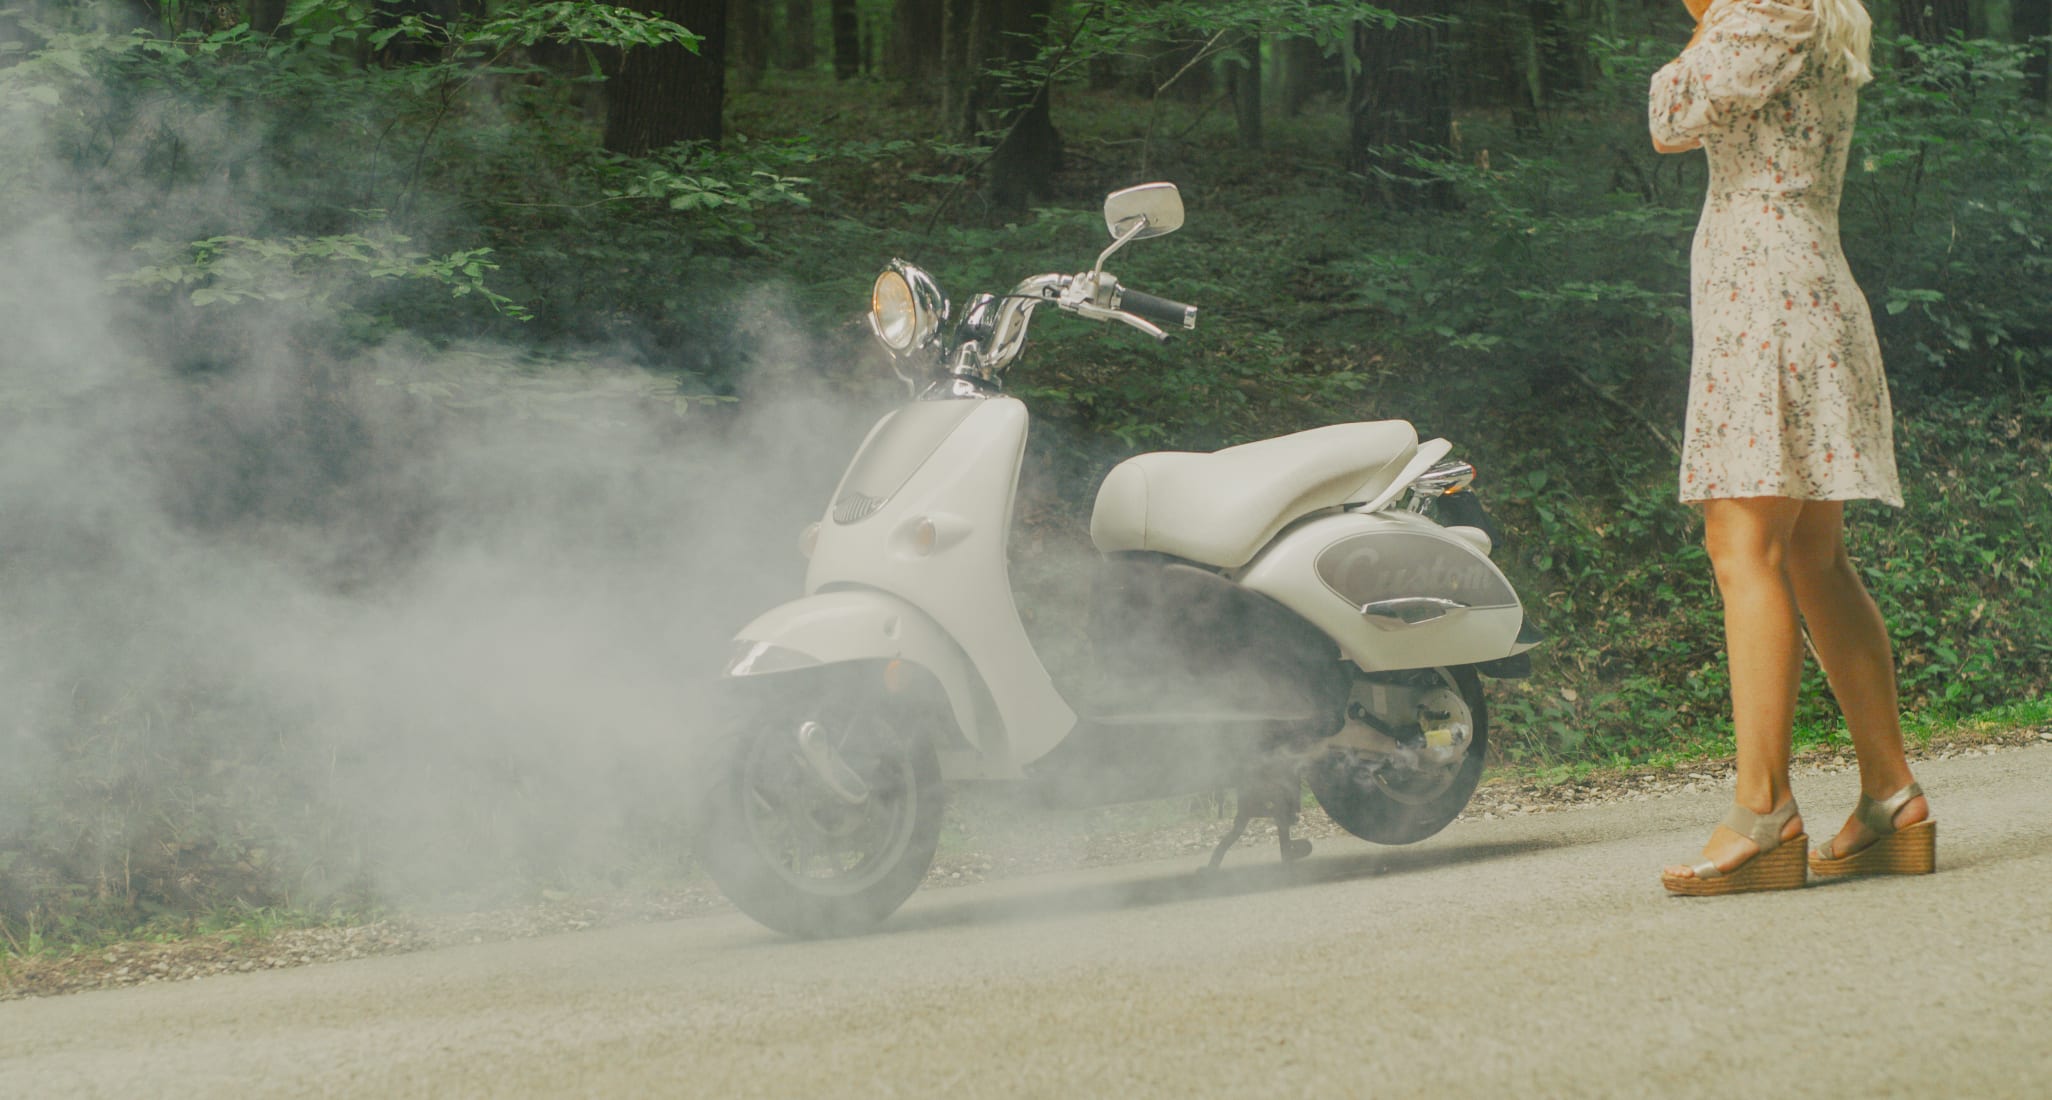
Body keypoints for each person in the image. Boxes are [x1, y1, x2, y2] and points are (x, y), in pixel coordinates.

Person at [1647, 0, 1934, 895]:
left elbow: (1669, 117)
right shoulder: (1812, 9)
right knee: (1812, 554)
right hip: (1794, 275)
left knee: (1744, 549)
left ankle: (1763, 811)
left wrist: (1703, 21)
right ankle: (1891, 799)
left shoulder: (1769, 7)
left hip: (1764, 289)